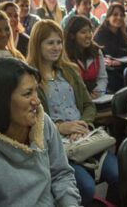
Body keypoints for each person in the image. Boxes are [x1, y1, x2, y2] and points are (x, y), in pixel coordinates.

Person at [0, 57, 81, 206]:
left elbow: (61, 175)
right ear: (1, 100)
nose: (36, 101)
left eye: (36, 91)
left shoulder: (43, 123)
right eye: (27, 94)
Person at [27, 19, 119, 205]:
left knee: (118, 174)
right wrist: (61, 127)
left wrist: (83, 125)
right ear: (38, 44)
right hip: (56, 143)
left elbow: (88, 105)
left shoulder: (69, 70)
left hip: (84, 137)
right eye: (50, 43)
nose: (56, 47)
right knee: (85, 187)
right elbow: (30, 119)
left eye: (59, 42)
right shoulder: (28, 77)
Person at [64, 15, 108, 99]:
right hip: (76, 99)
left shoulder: (96, 51)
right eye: (83, 32)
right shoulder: (65, 56)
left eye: (90, 31)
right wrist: (85, 97)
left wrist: (98, 91)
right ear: (72, 35)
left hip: (96, 96)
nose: (88, 35)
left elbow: (102, 78)